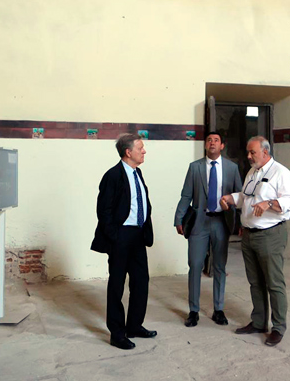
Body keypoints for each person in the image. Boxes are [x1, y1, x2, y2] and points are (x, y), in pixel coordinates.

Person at [220, 136, 290, 347]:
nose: (249, 156)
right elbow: (247, 197)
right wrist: (231, 199)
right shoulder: (252, 172)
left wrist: (269, 203)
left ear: (265, 152)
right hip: (249, 235)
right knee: (255, 282)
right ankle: (259, 321)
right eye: (248, 152)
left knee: (274, 283)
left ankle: (278, 327)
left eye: (252, 152)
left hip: (270, 235)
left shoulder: (281, 172)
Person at [90, 133, 157, 349]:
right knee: (117, 286)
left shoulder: (138, 174)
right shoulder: (113, 175)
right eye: (140, 148)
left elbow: (141, 203)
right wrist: (115, 236)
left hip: (137, 236)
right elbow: (104, 210)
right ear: (128, 152)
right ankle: (117, 333)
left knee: (141, 283)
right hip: (120, 237)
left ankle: (134, 325)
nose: (144, 151)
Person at [173, 131, 242, 327]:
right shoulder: (195, 167)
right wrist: (178, 217)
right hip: (199, 223)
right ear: (205, 145)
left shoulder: (232, 168)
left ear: (222, 146)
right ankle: (193, 311)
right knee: (195, 265)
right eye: (209, 140)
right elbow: (186, 195)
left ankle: (218, 309)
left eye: (216, 140)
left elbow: (239, 197)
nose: (212, 143)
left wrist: (242, 223)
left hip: (222, 222)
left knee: (219, 267)